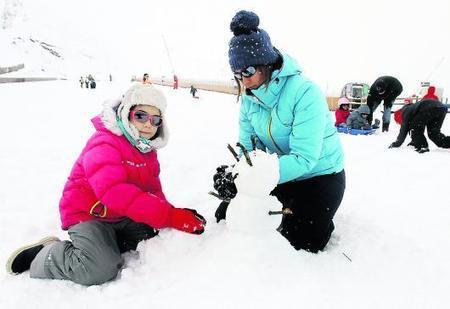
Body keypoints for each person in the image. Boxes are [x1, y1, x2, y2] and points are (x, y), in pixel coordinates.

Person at [6, 83, 206, 285]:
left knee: (152, 233)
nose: (148, 124)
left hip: (119, 215)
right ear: (127, 113)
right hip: (89, 214)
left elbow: (152, 191)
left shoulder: (146, 150)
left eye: (155, 120)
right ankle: (47, 253)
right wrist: (169, 217)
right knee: (98, 268)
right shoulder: (105, 141)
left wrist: (169, 214)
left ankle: (104, 244)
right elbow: (113, 191)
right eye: (141, 116)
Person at [214, 10, 345, 253]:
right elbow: (249, 150)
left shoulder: (305, 93)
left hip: (320, 174)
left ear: (267, 63)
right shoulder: (249, 100)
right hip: (278, 172)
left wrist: (254, 178)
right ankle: (293, 204)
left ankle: (320, 216)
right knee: (227, 215)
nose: (244, 80)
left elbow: (305, 158)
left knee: (302, 240)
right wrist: (237, 176)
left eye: (249, 71)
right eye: (237, 74)